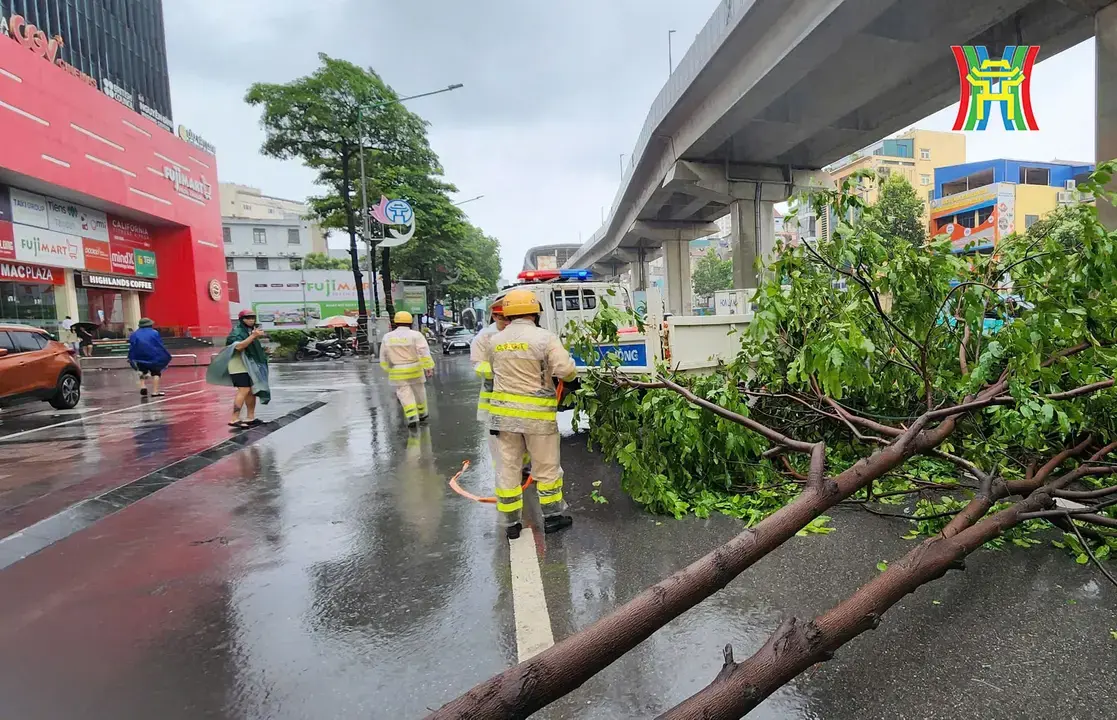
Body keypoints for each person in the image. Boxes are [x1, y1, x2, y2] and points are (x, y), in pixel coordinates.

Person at [484, 288, 577, 540]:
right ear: (536, 313)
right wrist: (572, 381)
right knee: (546, 469)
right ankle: (553, 518)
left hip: (503, 418)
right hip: (537, 417)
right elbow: (564, 369)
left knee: (508, 468)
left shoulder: (495, 341)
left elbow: (492, 375)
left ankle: (511, 523)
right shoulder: (545, 338)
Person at [379, 310, 435, 428]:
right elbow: (423, 352)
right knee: (419, 391)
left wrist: (388, 369)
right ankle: (422, 414)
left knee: (404, 395)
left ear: (396, 322)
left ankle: (412, 418)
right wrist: (429, 367)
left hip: (397, 370)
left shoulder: (387, 337)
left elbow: (383, 356)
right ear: (410, 322)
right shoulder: (416, 335)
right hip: (415, 368)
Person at [225, 310, 269, 430]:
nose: (251, 320)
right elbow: (238, 347)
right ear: (241, 319)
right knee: (244, 390)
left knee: (251, 391)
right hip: (238, 366)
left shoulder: (250, 331)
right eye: (247, 318)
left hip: (249, 366)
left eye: (252, 317)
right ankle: (234, 418)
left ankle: (250, 418)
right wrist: (253, 336)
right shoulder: (237, 331)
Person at [127, 318, 172, 397]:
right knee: (156, 373)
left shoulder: (134, 334)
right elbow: (159, 344)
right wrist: (164, 355)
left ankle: (143, 386)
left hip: (139, 356)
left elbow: (132, 346)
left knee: (141, 370)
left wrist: (130, 356)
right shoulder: (154, 333)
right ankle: (155, 392)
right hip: (153, 356)